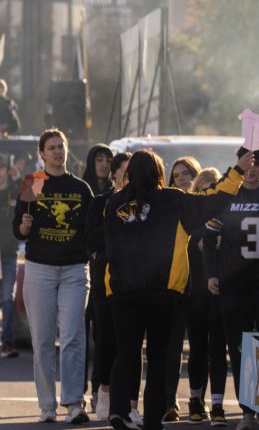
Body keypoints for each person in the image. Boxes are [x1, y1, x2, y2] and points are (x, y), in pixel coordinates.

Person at [103, 148, 252, 430]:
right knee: (157, 358)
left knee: (127, 353)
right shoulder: (172, 199)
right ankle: (152, 420)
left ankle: (119, 411)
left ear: (130, 173)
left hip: (121, 292)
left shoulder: (113, 203)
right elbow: (215, 200)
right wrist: (238, 171)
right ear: (160, 173)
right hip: (163, 291)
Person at [204, 145, 259, 430]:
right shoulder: (227, 195)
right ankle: (247, 411)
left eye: (258, 163)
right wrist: (211, 274)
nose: (252, 168)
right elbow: (209, 238)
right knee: (239, 349)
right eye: (247, 162)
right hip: (233, 285)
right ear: (239, 163)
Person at [12, 128, 94, 424]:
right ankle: (47, 406)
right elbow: (17, 230)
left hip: (74, 270)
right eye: (52, 147)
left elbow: (91, 231)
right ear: (42, 153)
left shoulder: (81, 188)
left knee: (73, 337)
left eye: (61, 146)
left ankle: (74, 402)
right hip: (40, 270)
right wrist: (24, 225)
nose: (58, 151)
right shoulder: (33, 184)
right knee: (43, 341)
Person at [85, 151, 131, 421]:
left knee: (130, 343)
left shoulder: (139, 203)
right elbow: (91, 240)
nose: (128, 175)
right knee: (104, 339)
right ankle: (102, 391)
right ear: (114, 172)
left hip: (134, 282)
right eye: (124, 170)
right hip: (105, 281)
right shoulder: (100, 202)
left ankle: (127, 402)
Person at [186, 168, 229, 427]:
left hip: (221, 290)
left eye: (213, 186)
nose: (208, 191)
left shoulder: (226, 215)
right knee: (198, 348)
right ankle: (194, 400)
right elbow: (187, 245)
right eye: (203, 187)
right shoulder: (190, 216)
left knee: (218, 349)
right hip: (196, 291)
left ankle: (217, 404)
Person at [162, 156, 202, 423]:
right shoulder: (169, 208)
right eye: (176, 175)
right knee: (171, 347)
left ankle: (199, 400)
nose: (183, 178)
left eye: (187, 172)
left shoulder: (205, 204)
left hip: (203, 284)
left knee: (201, 347)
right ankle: (169, 402)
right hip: (176, 285)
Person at [79, 143, 113, 413]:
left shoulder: (117, 193)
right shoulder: (82, 188)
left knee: (102, 335)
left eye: (107, 159)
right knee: (81, 332)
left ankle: (98, 387)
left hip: (106, 273)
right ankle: (77, 390)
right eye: (99, 159)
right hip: (81, 267)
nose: (103, 164)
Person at [0, 155, 19, 359]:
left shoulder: (14, 190)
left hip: (9, 253)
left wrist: (17, 180)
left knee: (8, 297)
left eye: (1, 168)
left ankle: (7, 341)